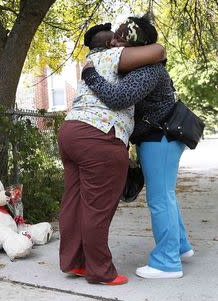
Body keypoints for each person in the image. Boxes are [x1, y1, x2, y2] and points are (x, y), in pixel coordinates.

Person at [81, 16, 194, 279]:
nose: (114, 43)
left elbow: (118, 98)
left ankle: (167, 262)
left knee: (159, 199)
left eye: (120, 38)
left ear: (134, 44)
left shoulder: (148, 69)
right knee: (166, 195)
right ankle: (181, 247)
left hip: (159, 138)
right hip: (159, 138)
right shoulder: (142, 65)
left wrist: (90, 76)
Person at [58, 22, 165, 285]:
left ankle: (75, 262)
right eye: (116, 37)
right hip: (99, 135)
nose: (119, 41)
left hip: (71, 130)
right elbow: (159, 51)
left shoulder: (91, 60)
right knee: (97, 208)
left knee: (73, 202)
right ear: (109, 44)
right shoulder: (113, 55)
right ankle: (100, 271)